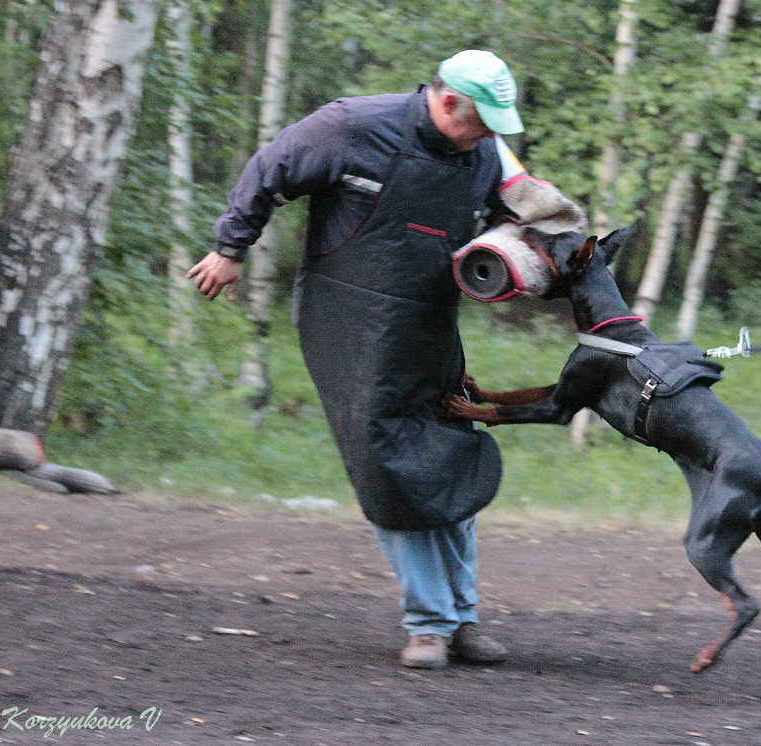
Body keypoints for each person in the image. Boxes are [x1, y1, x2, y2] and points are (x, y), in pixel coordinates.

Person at [188, 50, 530, 670]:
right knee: (390, 465)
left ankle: (463, 619)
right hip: (349, 327)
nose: (488, 138)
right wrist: (230, 247)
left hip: (429, 326)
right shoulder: (352, 126)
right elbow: (270, 169)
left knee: (450, 455)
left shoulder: (481, 153)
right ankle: (428, 624)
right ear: (447, 100)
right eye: (481, 121)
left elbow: (509, 215)